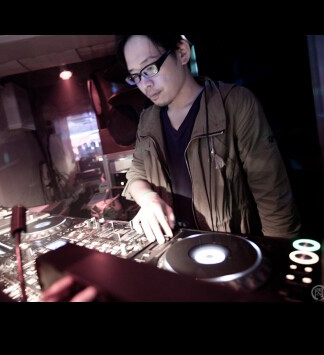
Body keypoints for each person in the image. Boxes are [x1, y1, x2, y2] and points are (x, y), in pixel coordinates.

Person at [116, 35, 301, 245]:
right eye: (136, 76)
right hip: (172, 249)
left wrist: (277, 253)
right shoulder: (147, 120)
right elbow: (136, 173)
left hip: (229, 251)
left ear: (182, 52)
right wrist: (147, 198)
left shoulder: (234, 104)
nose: (145, 84)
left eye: (150, 68)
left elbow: (273, 198)